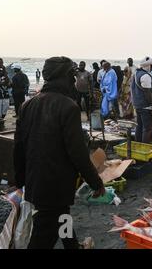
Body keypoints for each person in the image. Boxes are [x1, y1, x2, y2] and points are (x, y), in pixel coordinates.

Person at [13, 57, 105, 249]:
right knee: (42, 235)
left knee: (62, 215)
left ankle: (72, 246)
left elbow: (18, 147)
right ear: (62, 77)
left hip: (36, 180)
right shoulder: (68, 107)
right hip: (55, 182)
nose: (74, 81)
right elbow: (77, 153)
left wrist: (21, 179)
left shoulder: (27, 105)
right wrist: (95, 182)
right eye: (71, 76)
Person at [131, 57, 152, 143]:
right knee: (147, 128)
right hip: (146, 106)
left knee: (139, 126)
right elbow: (147, 93)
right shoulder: (145, 76)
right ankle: (145, 148)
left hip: (137, 105)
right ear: (148, 66)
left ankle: (138, 146)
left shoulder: (136, 74)